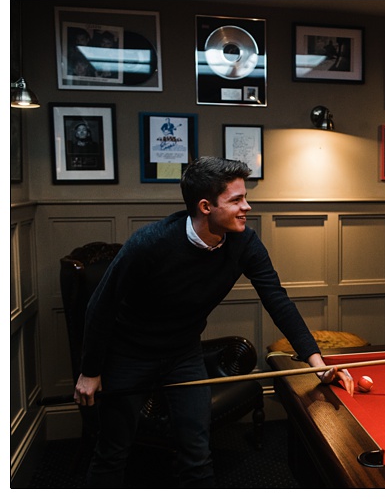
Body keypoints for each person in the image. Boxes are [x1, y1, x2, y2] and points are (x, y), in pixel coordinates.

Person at [73, 157, 353, 487]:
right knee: (113, 452)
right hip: (129, 355)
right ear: (206, 206)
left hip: (183, 354)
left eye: (244, 197)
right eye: (236, 200)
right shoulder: (150, 242)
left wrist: (315, 363)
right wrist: (91, 371)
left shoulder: (244, 242)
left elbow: (277, 301)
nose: (246, 207)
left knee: (197, 452)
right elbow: (100, 307)